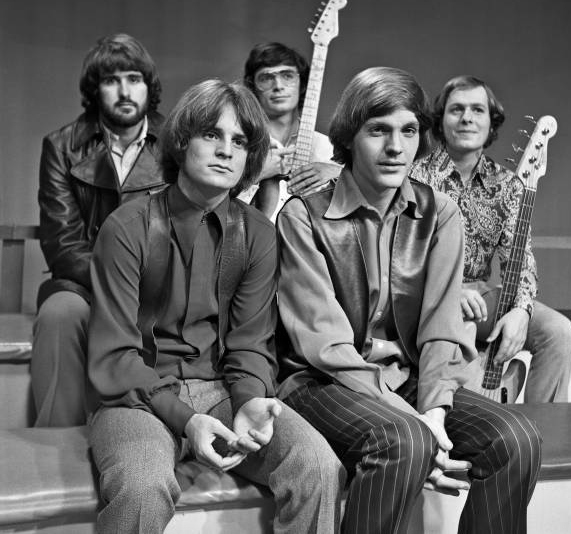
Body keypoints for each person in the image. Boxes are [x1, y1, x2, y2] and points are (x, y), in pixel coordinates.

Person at [276, 67, 542, 533]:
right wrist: (416, 421)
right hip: (320, 381)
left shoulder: (441, 214)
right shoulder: (302, 216)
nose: (396, 147)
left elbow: (442, 328)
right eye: (378, 130)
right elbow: (324, 345)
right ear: (349, 138)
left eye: (409, 130)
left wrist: (436, 411)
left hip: (409, 379)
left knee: (516, 439)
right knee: (403, 439)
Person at [87, 79, 345, 534]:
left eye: (240, 141)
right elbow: (116, 357)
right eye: (212, 134)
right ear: (183, 142)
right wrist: (187, 421)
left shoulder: (259, 234)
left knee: (318, 465)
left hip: (223, 391)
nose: (226, 150)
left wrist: (248, 401)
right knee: (143, 486)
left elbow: (249, 343)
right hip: (138, 399)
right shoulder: (126, 226)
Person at [411, 75, 571, 403]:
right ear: (441, 121)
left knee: (558, 331)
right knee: (460, 330)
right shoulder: (415, 176)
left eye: (477, 110)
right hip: (425, 295)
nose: (467, 117)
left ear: (491, 122)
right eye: (456, 109)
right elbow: (400, 255)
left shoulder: (509, 184)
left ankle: (543, 437)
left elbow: (521, 256)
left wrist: (522, 312)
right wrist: (448, 292)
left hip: (480, 295)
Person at [32, 32, 166, 426]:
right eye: (111, 80)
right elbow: (62, 243)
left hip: (156, 287)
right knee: (60, 312)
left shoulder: (178, 142)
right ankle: (58, 446)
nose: (124, 91)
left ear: (148, 86)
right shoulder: (62, 145)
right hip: (84, 284)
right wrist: (118, 286)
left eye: (134, 79)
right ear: (96, 90)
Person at [241, 42, 341, 219]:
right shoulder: (238, 145)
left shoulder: (328, 148)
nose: (278, 85)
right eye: (266, 78)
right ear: (253, 87)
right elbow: (212, 209)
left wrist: (340, 175)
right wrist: (255, 175)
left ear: (303, 84)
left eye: (287, 76)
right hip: (254, 244)